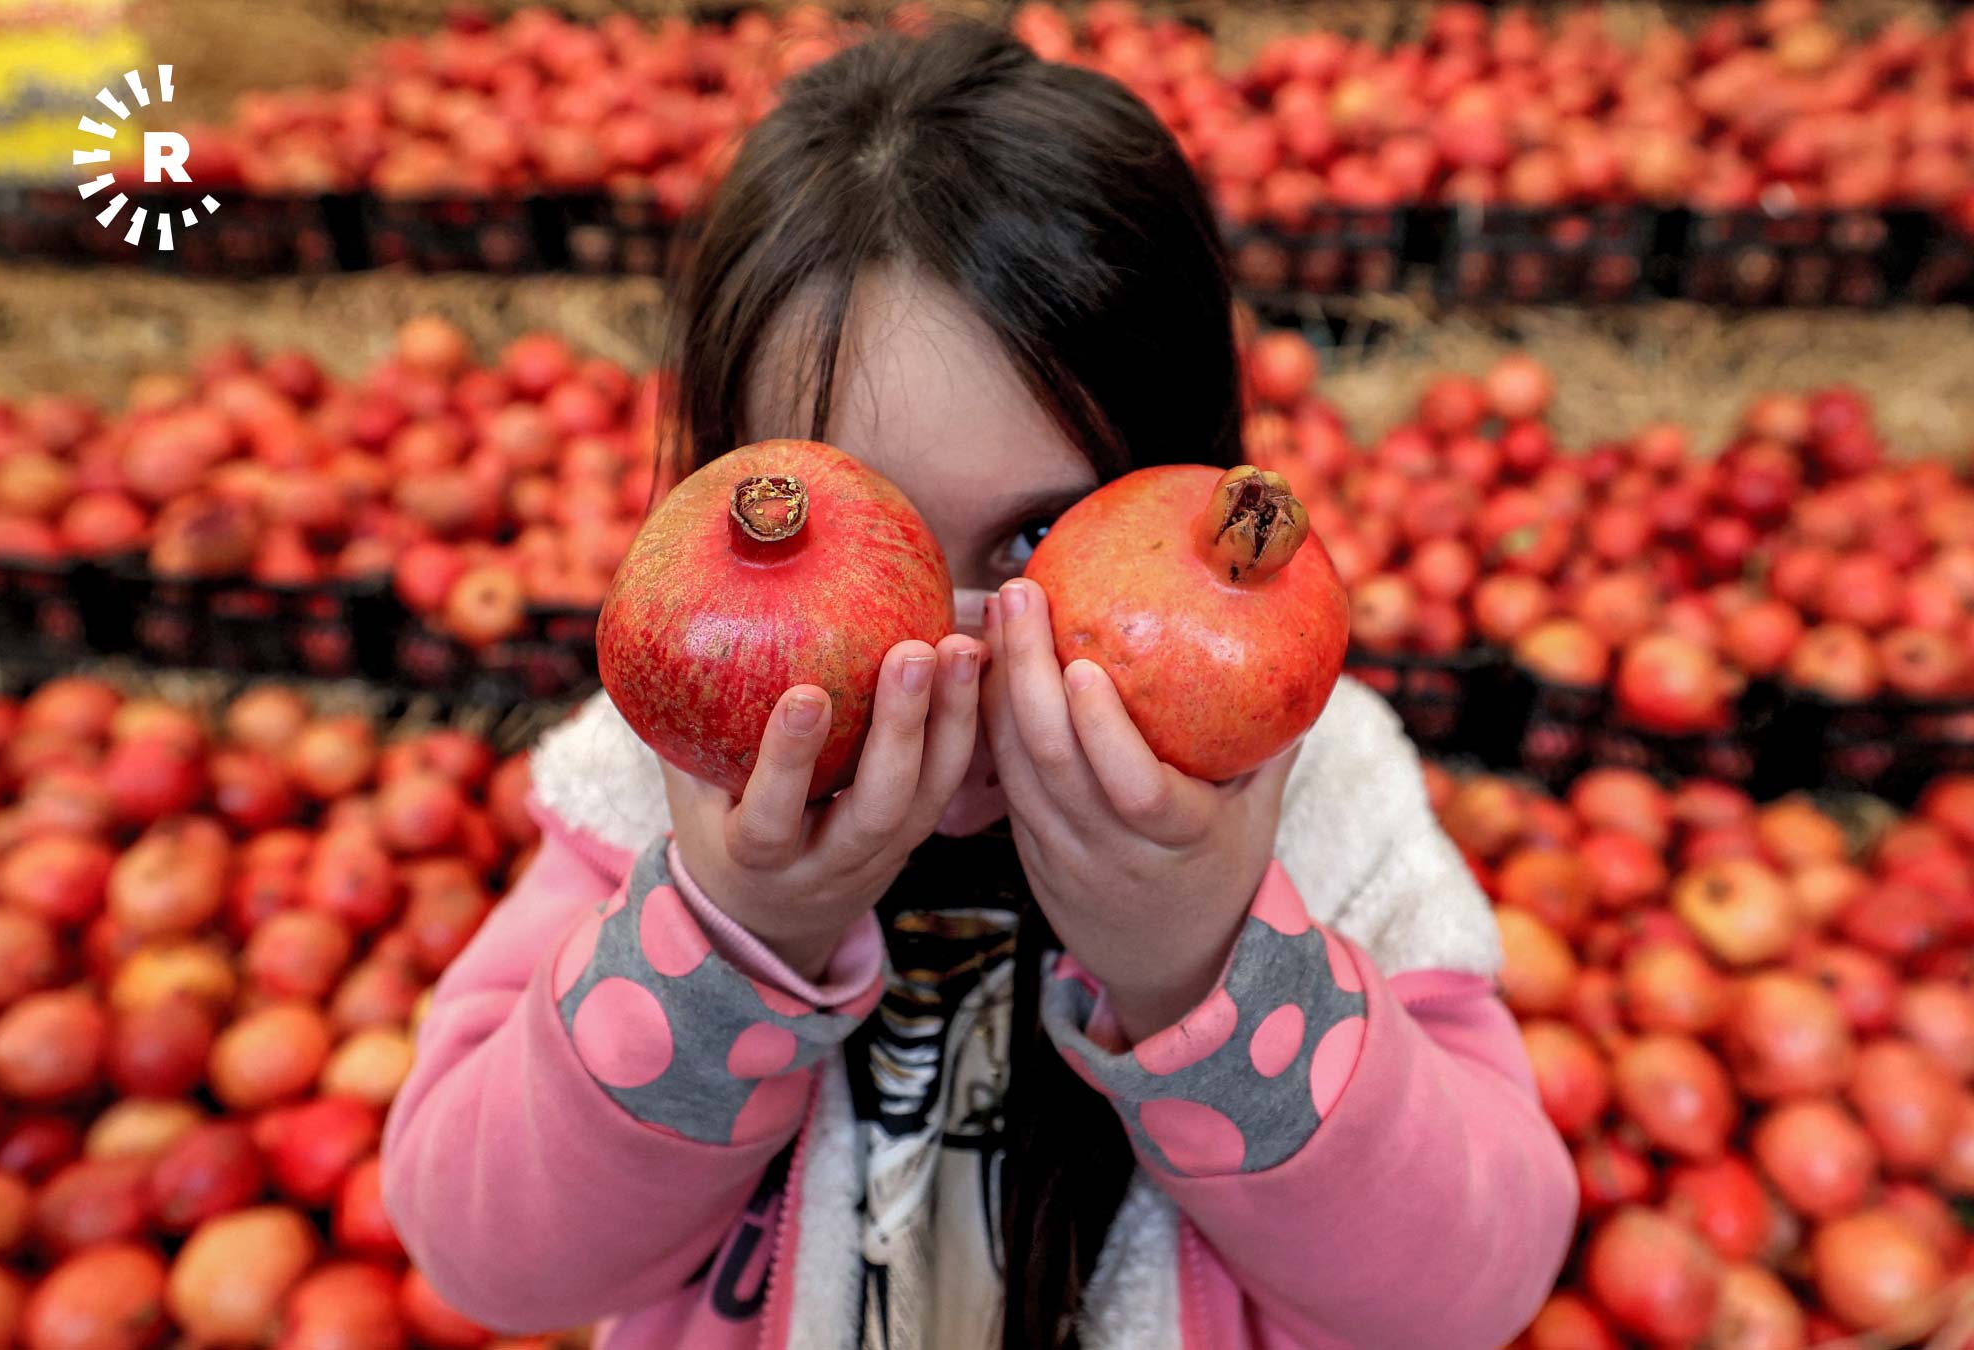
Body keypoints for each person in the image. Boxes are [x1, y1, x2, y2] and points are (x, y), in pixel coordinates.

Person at [382, 21, 1577, 1350]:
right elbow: (487, 1259)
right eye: (859, 523)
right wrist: (735, 931)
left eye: (1041, 537)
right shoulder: (658, 789)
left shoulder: (1315, 797)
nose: (943, 661)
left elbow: (1471, 1294)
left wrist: (1200, 962)